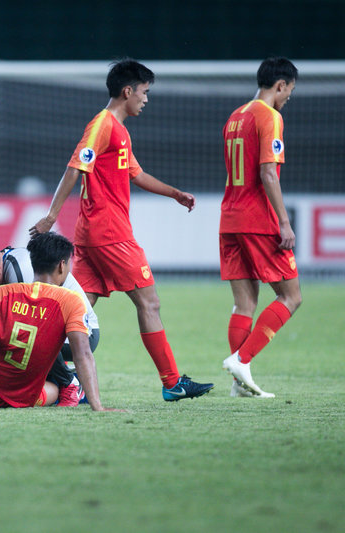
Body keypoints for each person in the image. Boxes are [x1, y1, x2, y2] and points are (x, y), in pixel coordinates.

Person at [29, 58, 214, 402]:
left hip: (92, 236)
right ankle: (172, 382)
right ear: (127, 91)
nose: (146, 99)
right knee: (150, 303)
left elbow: (136, 175)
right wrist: (51, 217)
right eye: (144, 92)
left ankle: (33, 372)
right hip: (110, 235)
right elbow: (74, 168)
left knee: (75, 310)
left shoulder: (119, 130)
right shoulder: (102, 125)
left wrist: (174, 193)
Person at [0, 233, 120, 411]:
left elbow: (34, 325)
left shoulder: (21, 273)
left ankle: (69, 383)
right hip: (37, 328)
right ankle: (37, 383)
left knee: (8, 332)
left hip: (79, 332)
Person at [220, 58, 301, 398]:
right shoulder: (270, 117)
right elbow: (268, 173)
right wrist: (284, 221)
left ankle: (240, 383)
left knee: (244, 304)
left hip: (230, 217)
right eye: (289, 91)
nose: (288, 99)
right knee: (291, 296)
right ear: (279, 85)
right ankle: (243, 360)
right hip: (258, 220)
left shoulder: (235, 116)